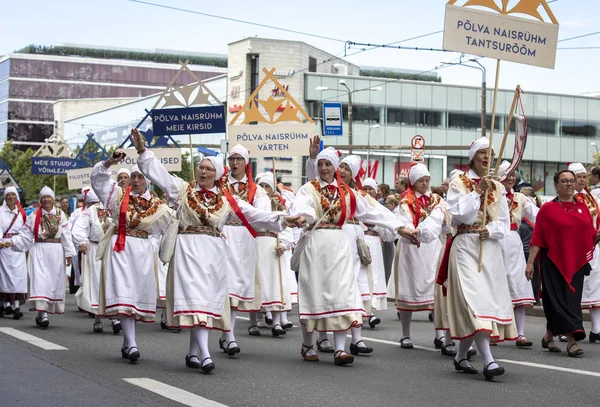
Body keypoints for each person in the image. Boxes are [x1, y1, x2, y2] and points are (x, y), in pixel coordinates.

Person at [134, 130, 302, 371]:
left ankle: (193, 352)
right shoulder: (183, 191)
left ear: (217, 174)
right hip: (188, 251)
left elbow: (255, 214)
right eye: (201, 167)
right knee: (196, 300)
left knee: (204, 301)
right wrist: (143, 152)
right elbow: (160, 175)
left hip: (213, 253)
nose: (203, 171)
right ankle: (204, 353)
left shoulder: (226, 200)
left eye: (209, 169)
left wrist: (285, 219)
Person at [292, 147, 404, 366]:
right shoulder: (308, 189)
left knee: (342, 292)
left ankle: (340, 350)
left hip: (338, 245)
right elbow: (301, 207)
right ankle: (307, 344)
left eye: (328, 165)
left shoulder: (347, 193)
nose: (324, 168)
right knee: (313, 292)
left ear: (334, 167)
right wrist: (301, 216)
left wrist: (401, 226)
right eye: (321, 164)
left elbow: (374, 212)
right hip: (315, 245)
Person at [91, 152, 177, 363]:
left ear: (148, 180)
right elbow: (98, 179)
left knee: (136, 296)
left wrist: (158, 249)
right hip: (120, 249)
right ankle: (131, 343)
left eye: (140, 177)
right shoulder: (117, 196)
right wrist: (109, 162)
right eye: (133, 177)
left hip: (143, 253)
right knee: (124, 295)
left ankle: (127, 341)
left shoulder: (159, 207)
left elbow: (173, 227)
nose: (136, 180)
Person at [444, 137, 516, 381]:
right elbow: (459, 215)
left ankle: (461, 356)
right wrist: (476, 192)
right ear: (472, 156)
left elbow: (504, 223)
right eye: (482, 153)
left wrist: (492, 231)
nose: (487, 157)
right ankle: (489, 360)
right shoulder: (458, 182)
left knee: (484, 301)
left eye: (491, 153)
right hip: (465, 245)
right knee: (474, 301)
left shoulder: (498, 186)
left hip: (489, 248)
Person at [526, 169, 597, 357]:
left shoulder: (582, 208)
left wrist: (597, 236)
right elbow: (538, 238)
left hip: (576, 263)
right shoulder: (548, 209)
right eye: (564, 181)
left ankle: (550, 335)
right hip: (553, 263)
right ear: (556, 185)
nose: (569, 184)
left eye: (572, 181)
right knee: (555, 301)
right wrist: (530, 263)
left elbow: (588, 236)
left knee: (571, 301)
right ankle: (572, 340)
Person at [1, 186, 75, 328]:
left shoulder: (60, 214)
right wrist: (12, 241)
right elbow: (25, 235)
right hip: (39, 251)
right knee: (40, 282)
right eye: (44, 197)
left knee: (52, 283)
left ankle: (42, 314)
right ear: (40, 200)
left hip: (56, 252)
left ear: (53, 199)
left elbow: (66, 235)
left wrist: (69, 253)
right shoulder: (34, 215)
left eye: (49, 197)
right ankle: (43, 314)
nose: (46, 200)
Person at [392, 163, 448, 350]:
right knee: (409, 288)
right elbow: (403, 221)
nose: (424, 184)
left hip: (432, 248)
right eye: (420, 181)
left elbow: (445, 220)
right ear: (413, 182)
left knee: (436, 291)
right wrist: (413, 233)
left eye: (427, 180)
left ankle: (439, 335)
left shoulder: (437, 199)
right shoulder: (405, 200)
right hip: (411, 247)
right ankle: (405, 334)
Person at [220, 144, 271, 347]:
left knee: (236, 288)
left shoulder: (255, 190)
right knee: (226, 287)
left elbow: (262, 214)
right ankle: (228, 335)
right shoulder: (219, 184)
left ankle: (227, 334)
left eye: (239, 159)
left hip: (245, 239)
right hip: (223, 236)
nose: (234, 163)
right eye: (232, 159)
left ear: (246, 162)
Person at [497, 161, 539, 348]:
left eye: (513, 174)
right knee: (496, 288)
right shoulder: (492, 195)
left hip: (514, 242)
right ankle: (495, 332)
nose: (512, 177)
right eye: (507, 174)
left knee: (519, 286)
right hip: (495, 242)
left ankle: (520, 334)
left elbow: (538, 215)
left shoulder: (521, 198)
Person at [72, 188, 122, 334]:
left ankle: (115, 318)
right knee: (97, 283)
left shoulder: (117, 207)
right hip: (95, 249)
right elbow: (78, 228)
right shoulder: (90, 211)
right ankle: (98, 319)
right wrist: (82, 241)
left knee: (113, 282)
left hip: (113, 249)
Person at [568, 163, 600, 344]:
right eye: (577, 177)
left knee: (595, 287)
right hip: (575, 248)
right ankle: (570, 328)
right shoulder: (568, 198)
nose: (581, 180)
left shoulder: (590, 196)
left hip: (594, 247)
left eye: (583, 176)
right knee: (574, 289)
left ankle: (596, 329)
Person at [361, 177, 395, 325]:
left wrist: (376, 226)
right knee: (361, 277)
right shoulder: (357, 205)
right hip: (359, 242)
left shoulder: (379, 209)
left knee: (373, 277)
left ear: (376, 192)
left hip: (374, 244)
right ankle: (365, 312)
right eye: (365, 189)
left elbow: (390, 234)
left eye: (371, 189)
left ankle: (370, 312)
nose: (368, 192)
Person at [0, 187, 27, 319]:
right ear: (5, 198)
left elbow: (25, 231)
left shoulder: (21, 213)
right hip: (3, 247)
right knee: (5, 276)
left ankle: (17, 306)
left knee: (18, 276)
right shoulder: (0, 212)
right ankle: (6, 304)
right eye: (8, 195)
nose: (11, 197)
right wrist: (1, 241)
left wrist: (16, 241)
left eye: (13, 195)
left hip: (17, 246)